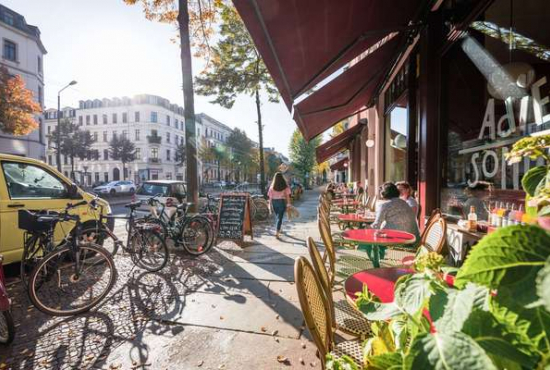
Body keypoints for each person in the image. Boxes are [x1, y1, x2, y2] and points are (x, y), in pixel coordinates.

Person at [268, 172, 292, 239]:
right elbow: (288, 196)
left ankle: (279, 229)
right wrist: (288, 204)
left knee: (278, 217)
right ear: (282, 178)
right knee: (280, 217)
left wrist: (270, 206)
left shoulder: (272, 187)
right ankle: (277, 232)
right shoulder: (285, 186)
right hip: (281, 202)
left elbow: (270, 197)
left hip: (274, 202)